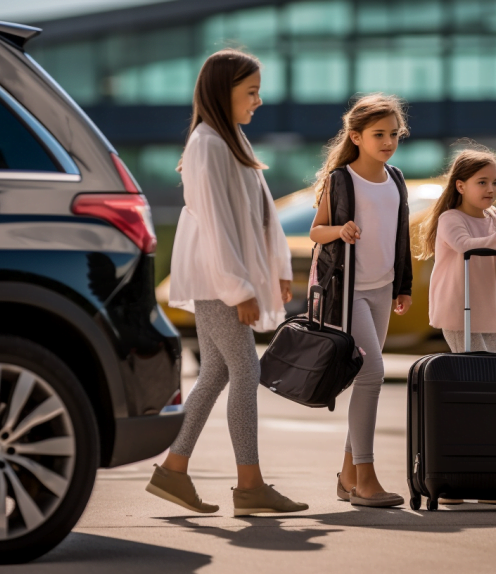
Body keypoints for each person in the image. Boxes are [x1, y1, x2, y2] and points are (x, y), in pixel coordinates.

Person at [146, 49, 308, 517]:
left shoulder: (229, 138)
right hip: (218, 281)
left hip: (222, 278)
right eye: (251, 92)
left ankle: (173, 471)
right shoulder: (209, 144)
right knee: (246, 370)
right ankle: (250, 485)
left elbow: (260, 212)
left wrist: (276, 269)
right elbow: (217, 225)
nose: (258, 101)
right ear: (224, 92)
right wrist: (239, 289)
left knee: (218, 372)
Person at [309, 94, 414, 508]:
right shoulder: (341, 180)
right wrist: (340, 230)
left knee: (365, 382)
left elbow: (400, 236)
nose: (388, 141)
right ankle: (366, 478)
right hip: (348, 292)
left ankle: (348, 476)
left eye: (394, 134)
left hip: (382, 290)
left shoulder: (397, 178)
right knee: (371, 375)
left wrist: (402, 285)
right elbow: (317, 231)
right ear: (356, 136)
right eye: (378, 135)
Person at [416, 142, 496, 506]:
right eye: (482, 182)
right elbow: (466, 247)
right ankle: (458, 475)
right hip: (457, 310)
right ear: (460, 185)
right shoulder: (452, 219)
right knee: (471, 384)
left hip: (488, 311)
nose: (491, 189)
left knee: (490, 389)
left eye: (495, 182)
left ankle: (488, 474)